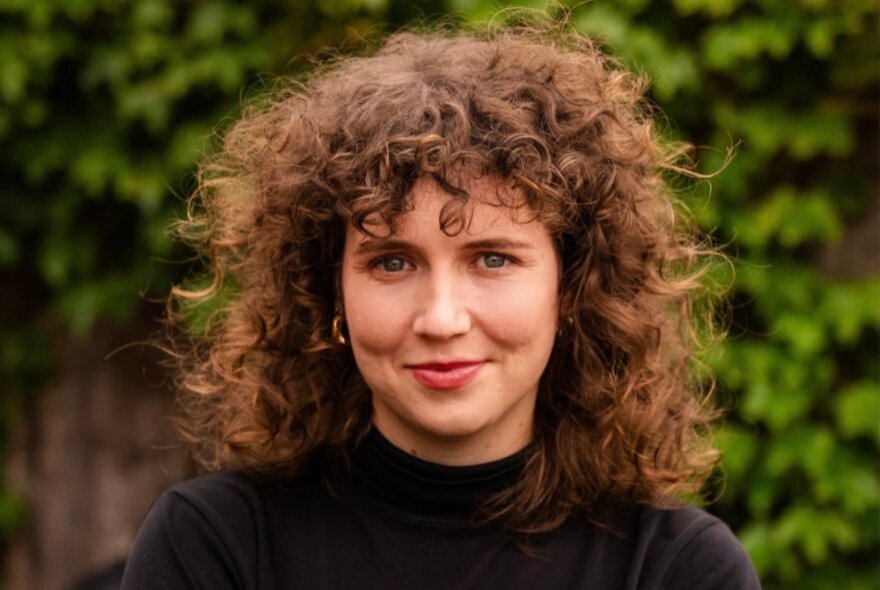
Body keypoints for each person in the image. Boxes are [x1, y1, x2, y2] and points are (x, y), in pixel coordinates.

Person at [121, 22, 760, 590]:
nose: (442, 319)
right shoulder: (217, 544)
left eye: (493, 259)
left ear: (571, 288)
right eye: (392, 262)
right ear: (330, 291)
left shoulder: (674, 567)